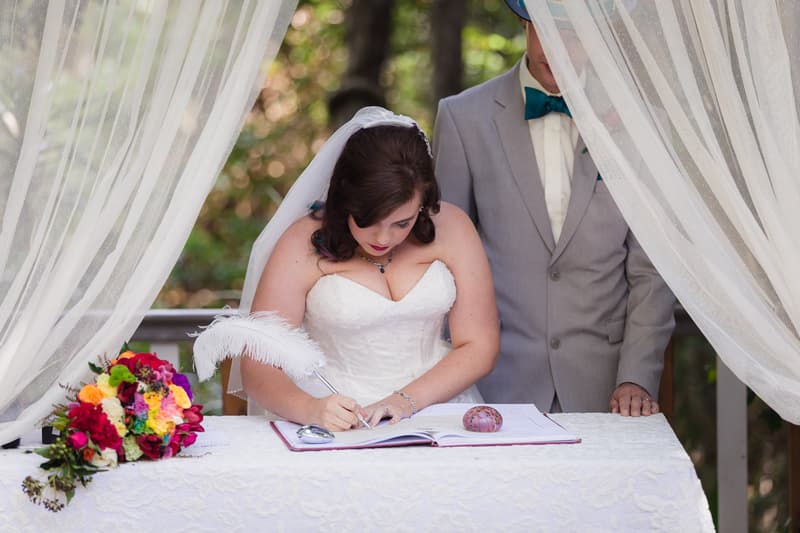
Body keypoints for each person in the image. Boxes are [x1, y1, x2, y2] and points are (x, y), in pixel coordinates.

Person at [432, 0, 675, 416]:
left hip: (608, 388)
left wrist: (635, 375)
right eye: (551, 30)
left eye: (577, 35)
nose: (562, 48)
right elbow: (440, 260)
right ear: (524, 22)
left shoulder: (641, 126)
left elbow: (653, 268)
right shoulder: (462, 118)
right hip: (492, 383)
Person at [194, 106, 499, 431]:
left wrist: (403, 401)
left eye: (402, 223)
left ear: (423, 202)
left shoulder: (453, 228)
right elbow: (258, 366)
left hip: (437, 410)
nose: (384, 238)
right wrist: (311, 409)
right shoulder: (301, 243)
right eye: (367, 221)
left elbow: (479, 345)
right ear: (344, 200)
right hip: (335, 420)